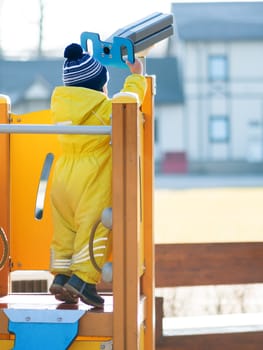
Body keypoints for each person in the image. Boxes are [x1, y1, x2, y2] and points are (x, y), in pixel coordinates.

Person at [49, 43, 146, 308]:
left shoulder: (60, 108)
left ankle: (61, 275)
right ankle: (83, 282)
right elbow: (128, 102)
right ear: (98, 85)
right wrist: (136, 76)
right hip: (90, 179)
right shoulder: (103, 110)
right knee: (94, 229)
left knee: (66, 229)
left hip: (62, 177)